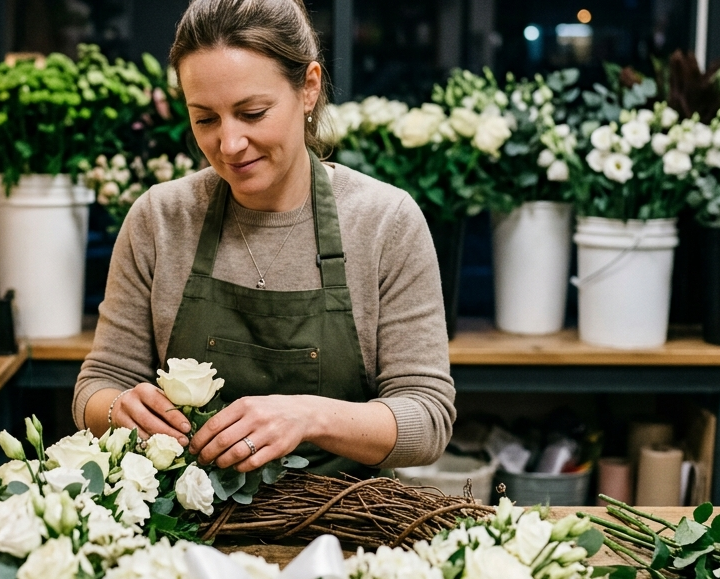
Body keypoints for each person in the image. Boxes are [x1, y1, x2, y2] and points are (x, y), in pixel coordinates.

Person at [73, 0, 454, 478]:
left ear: (308, 88)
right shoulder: (161, 218)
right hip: (190, 515)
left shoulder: (384, 222)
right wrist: (118, 409)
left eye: (252, 113)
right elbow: (98, 385)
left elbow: (428, 418)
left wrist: (308, 416)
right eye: (205, 119)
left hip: (345, 514)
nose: (229, 144)